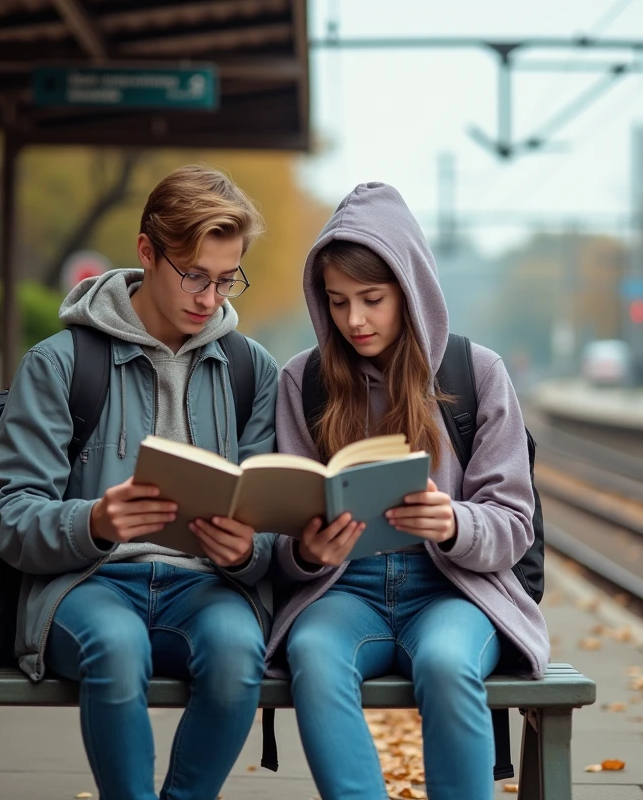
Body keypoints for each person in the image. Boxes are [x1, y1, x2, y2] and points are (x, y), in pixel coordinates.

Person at [0, 165, 280, 800]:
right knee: (116, 651)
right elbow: (9, 515)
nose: (210, 298)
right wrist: (93, 522)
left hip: (207, 588)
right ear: (147, 251)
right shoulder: (60, 363)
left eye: (228, 280)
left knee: (237, 655)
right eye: (194, 275)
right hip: (87, 585)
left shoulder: (252, 371)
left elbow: (271, 518)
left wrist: (249, 549)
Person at [266, 183, 550, 800]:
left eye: (372, 299)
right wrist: (308, 549)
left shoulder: (477, 374)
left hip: (453, 591)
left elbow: (512, 523)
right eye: (337, 302)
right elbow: (280, 534)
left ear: (411, 288)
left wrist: (450, 521)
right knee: (313, 655)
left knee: (449, 666)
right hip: (344, 592)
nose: (354, 320)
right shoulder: (303, 380)